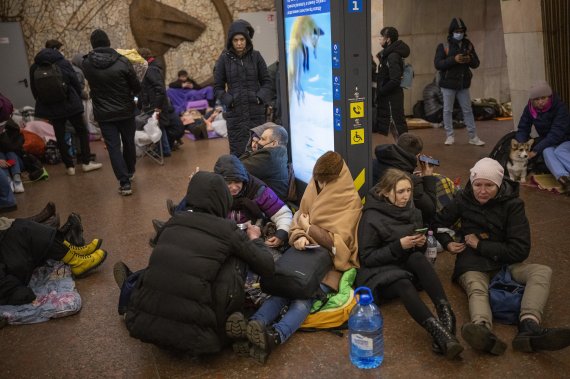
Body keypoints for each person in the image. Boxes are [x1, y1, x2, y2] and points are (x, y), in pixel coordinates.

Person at [115, 171, 275, 354]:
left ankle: (131, 288)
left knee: (172, 263)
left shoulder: (173, 222)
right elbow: (267, 266)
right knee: (234, 260)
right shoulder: (227, 230)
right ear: (223, 199)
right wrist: (255, 238)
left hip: (144, 326)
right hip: (199, 338)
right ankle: (229, 323)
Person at [226, 151, 362, 364]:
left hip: (330, 265)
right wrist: (298, 236)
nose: (322, 185)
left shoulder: (349, 200)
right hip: (303, 254)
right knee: (283, 289)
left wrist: (309, 228)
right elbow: (298, 218)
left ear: (337, 179)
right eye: (319, 180)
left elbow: (340, 242)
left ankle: (275, 335)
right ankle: (254, 325)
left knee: (302, 298)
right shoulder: (313, 187)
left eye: (327, 181)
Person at [433, 157, 570, 355]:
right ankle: (482, 331)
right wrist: (446, 242)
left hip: (506, 262)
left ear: (498, 184)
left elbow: (521, 250)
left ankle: (529, 326)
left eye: (489, 185)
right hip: (473, 263)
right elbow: (436, 223)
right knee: (477, 288)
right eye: (477, 184)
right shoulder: (463, 199)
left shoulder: (513, 205)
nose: (482, 190)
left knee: (541, 271)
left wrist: (480, 244)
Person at [355, 168, 463, 359]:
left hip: (402, 262)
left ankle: (446, 314)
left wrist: (419, 244)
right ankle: (437, 331)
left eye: (408, 191)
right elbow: (367, 258)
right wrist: (399, 245)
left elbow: (415, 251)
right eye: (400, 192)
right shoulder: (371, 216)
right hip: (377, 273)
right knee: (402, 282)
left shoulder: (412, 211)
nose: (406, 196)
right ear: (387, 192)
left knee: (419, 258)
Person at [29, 39, 102, 176]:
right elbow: (74, 82)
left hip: (52, 107)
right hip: (70, 104)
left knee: (60, 135)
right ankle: (86, 162)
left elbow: (34, 90)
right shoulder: (63, 62)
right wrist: (76, 96)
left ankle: (69, 167)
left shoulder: (34, 67)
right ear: (57, 49)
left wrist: (46, 101)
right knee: (81, 131)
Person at [82, 29, 141, 196]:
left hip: (104, 114)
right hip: (126, 110)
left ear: (93, 45)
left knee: (113, 148)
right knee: (129, 142)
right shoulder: (123, 61)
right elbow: (136, 86)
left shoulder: (87, 64)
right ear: (108, 42)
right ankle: (129, 171)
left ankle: (124, 183)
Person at [0, 216, 107, 305]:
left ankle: (71, 251)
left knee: (22, 226)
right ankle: (76, 262)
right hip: (8, 271)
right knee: (26, 231)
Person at [214, 19, 272, 157]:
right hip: (236, 115)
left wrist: (259, 98)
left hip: (256, 113)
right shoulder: (223, 60)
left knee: (257, 150)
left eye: (242, 39)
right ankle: (241, 179)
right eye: (235, 40)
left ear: (247, 40)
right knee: (238, 152)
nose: (239, 43)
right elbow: (218, 87)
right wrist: (229, 100)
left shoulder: (256, 57)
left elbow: (267, 82)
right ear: (231, 41)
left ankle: (256, 179)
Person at [434, 17, 485, 146]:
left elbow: (476, 63)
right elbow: (438, 64)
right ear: (452, 32)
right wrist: (454, 59)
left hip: (463, 84)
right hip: (448, 85)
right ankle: (449, 136)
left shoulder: (468, 45)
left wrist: (469, 59)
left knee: (467, 110)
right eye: (457, 31)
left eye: (461, 31)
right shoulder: (444, 46)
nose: (459, 33)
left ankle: (473, 137)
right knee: (447, 110)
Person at [515, 80, 570, 193]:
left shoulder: (560, 107)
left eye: (543, 98)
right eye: (536, 99)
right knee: (546, 151)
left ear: (549, 97)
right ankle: (564, 179)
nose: (540, 102)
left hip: (566, 139)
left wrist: (535, 151)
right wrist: (521, 146)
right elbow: (523, 128)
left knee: (559, 151)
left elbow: (556, 133)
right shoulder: (529, 109)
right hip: (549, 141)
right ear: (531, 100)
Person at [372, 133, 437, 224]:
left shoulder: (374, 163)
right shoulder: (410, 181)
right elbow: (430, 210)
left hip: (375, 213)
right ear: (418, 156)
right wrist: (427, 176)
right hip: (396, 221)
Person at [375, 27, 410, 138]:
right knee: (394, 125)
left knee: (397, 124)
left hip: (392, 97)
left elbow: (395, 79)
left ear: (388, 39)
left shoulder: (392, 56)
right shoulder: (387, 54)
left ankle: (406, 150)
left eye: (381, 37)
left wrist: (382, 90)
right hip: (390, 96)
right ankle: (403, 149)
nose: (379, 39)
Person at [240, 123, 289, 201]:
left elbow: (237, 169)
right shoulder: (280, 152)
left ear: (274, 143)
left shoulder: (269, 156)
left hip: (268, 205)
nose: (259, 142)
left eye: (263, 139)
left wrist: (249, 151)